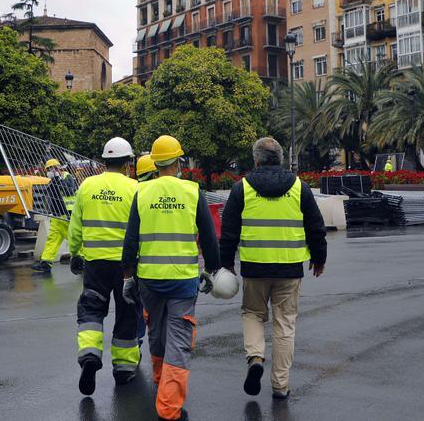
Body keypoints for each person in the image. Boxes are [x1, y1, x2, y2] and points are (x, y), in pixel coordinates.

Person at [122, 135, 220, 421]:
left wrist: (128, 277)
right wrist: (213, 270)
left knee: (156, 332)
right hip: (183, 280)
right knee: (179, 339)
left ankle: (160, 382)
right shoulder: (192, 191)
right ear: (178, 161)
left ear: (154, 162)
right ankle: (169, 409)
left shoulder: (143, 193)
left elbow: (130, 242)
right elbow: (209, 237)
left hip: (149, 280)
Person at [220, 137, 327, 400]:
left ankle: (255, 357)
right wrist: (319, 258)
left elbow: (229, 232)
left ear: (256, 160)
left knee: (253, 314)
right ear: (280, 159)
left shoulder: (241, 189)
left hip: (254, 268)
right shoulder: (299, 188)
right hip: (289, 269)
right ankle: (280, 385)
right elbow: (316, 226)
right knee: (284, 324)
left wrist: (225, 266)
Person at [67, 137, 141, 394]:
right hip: (126, 267)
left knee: (91, 310)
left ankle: (89, 354)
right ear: (127, 163)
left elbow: (76, 224)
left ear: (104, 161)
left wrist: (75, 251)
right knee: (127, 313)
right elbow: (139, 230)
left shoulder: (87, 185)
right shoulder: (134, 188)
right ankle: (123, 369)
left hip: (95, 264)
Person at [31, 158, 79, 272]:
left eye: (50, 168)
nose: (49, 171)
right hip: (57, 216)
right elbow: (51, 198)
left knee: (74, 240)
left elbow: (69, 191)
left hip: (68, 215)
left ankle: (85, 261)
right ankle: (46, 263)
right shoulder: (52, 181)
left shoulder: (68, 177)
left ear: (57, 168)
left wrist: (57, 177)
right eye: (47, 169)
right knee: (52, 240)